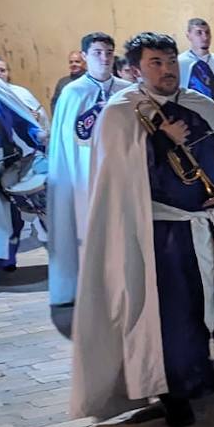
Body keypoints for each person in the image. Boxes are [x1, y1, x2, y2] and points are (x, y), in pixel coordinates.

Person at [68, 33, 214, 427]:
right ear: (136, 69)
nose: (166, 70)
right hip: (165, 232)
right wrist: (161, 138)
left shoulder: (200, 104)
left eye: (169, 61)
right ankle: (174, 391)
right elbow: (121, 179)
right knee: (176, 313)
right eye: (155, 63)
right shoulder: (122, 112)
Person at [46, 32, 131, 305]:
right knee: (86, 228)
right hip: (84, 177)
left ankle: (122, 284)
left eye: (108, 52)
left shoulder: (126, 90)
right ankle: (88, 288)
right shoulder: (73, 92)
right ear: (84, 56)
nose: (104, 58)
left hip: (121, 174)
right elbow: (68, 141)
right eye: (97, 52)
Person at [0, 79, 45, 271]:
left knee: (10, 218)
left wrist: (37, 135)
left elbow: (20, 119)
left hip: (2, 159)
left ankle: (4, 261)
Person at [177, 18, 214, 101]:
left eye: (207, 32)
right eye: (199, 33)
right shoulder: (179, 62)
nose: (205, 37)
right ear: (188, 36)